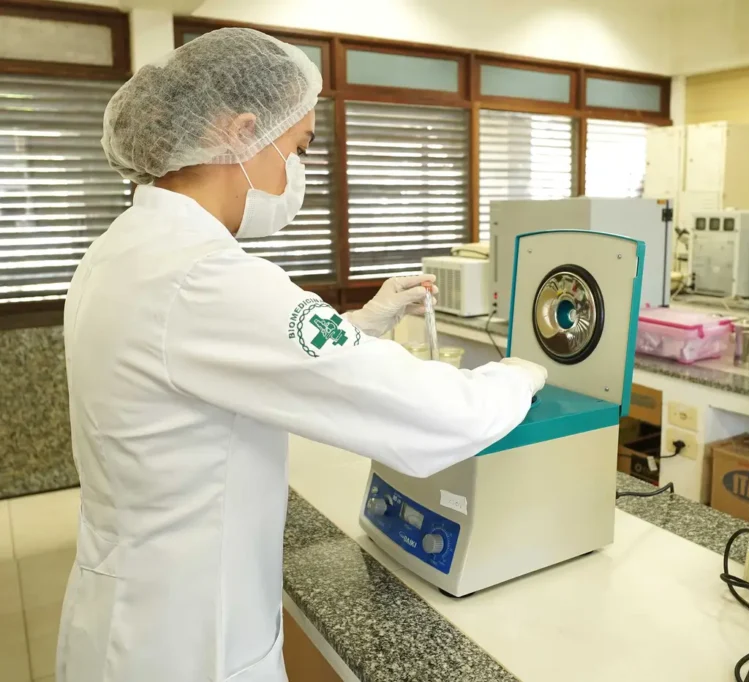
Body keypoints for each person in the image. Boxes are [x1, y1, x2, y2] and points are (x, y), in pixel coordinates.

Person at [57, 28, 546, 682]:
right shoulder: (205, 276)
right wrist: (517, 375)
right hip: (193, 639)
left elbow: (219, 359)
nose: (298, 172)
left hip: (123, 609)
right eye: (299, 147)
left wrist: (359, 325)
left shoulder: (126, 248)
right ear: (242, 132)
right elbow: (438, 414)